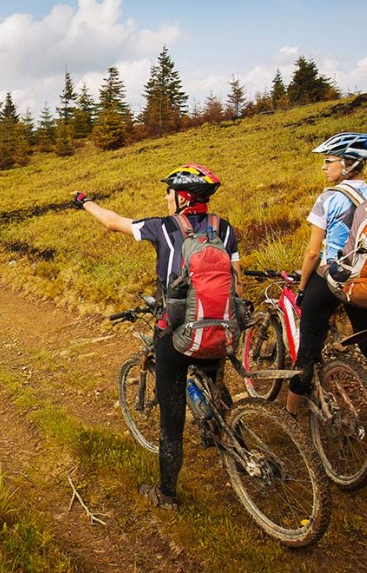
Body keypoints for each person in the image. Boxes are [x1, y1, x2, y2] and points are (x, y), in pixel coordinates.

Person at [72, 164, 242, 509]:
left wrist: (85, 202)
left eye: (169, 193)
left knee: (172, 417)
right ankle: (237, 442)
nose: (166, 198)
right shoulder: (224, 230)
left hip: (174, 334)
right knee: (215, 380)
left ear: (181, 198)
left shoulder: (162, 229)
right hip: (220, 327)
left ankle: (166, 494)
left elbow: (112, 221)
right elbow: (238, 280)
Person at [285, 132, 367, 424]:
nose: (324, 167)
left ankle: (289, 415)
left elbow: (313, 253)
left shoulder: (329, 198)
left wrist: (302, 288)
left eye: (329, 161)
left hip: (331, 279)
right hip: (364, 279)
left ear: (348, 164)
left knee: (308, 350)